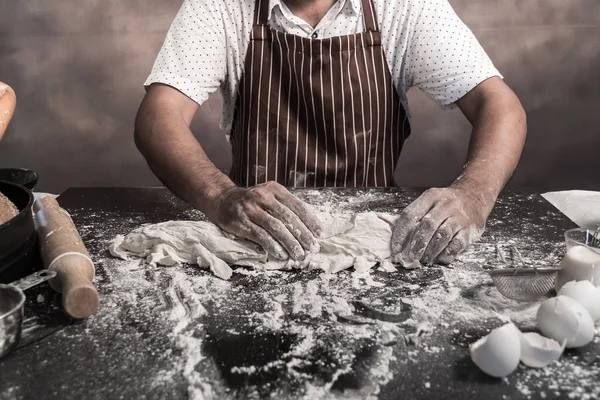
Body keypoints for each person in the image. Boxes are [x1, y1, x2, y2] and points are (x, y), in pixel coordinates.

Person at [134, 0, 526, 267]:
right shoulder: (219, 6)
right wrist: (220, 196)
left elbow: (500, 106)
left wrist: (473, 196)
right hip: (256, 241)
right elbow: (158, 118)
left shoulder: (405, 6)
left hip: (376, 254)